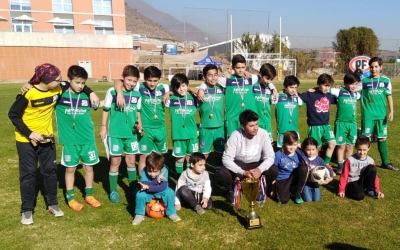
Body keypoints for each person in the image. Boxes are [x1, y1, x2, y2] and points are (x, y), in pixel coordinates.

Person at [8, 63, 97, 225]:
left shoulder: (57, 88)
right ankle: (27, 210)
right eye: (57, 79)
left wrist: (90, 92)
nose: (61, 81)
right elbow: (13, 114)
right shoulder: (28, 93)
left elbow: (77, 83)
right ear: (46, 79)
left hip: (47, 139)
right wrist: (30, 134)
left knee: (50, 171)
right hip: (26, 140)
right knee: (28, 174)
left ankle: (53, 204)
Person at [56, 65, 102, 211]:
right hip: (69, 141)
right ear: (69, 80)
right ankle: (70, 198)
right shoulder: (59, 95)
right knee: (71, 169)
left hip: (88, 139)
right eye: (77, 82)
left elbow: (99, 105)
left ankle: (89, 195)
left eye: (83, 83)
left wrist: (92, 93)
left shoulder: (86, 95)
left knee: (89, 167)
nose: (81, 86)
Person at [198, 54, 276, 137]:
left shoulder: (251, 78)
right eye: (238, 68)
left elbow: (265, 78)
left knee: (247, 144)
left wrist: (273, 88)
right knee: (233, 146)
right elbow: (211, 80)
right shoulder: (226, 80)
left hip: (247, 119)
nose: (241, 70)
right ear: (233, 68)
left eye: (243, 67)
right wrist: (201, 89)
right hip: (232, 119)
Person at [114, 66, 170, 179]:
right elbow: (117, 81)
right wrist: (119, 92)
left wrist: (170, 92)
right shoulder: (139, 87)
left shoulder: (164, 87)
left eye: (155, 81)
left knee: (159, 156)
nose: (152, 84)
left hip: (160, 128)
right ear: (145, 79)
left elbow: (183, 86)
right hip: (146, 129)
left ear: (159, 79)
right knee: (144, 156)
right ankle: (143, 180)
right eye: (149, 80)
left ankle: (158, 180)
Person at [99, 65, 141, 203]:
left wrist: (139, 123)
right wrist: (104, 126)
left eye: (134, 81)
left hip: (131, 134)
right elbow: (105, 110)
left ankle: (133, 188)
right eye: (129, 80)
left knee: (130, 161)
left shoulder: (137, 94)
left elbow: (138, 111)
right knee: (115, 161)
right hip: (115, 134)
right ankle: (113, 190)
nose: (131, 84)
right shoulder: (112, 92)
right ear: (123, 78)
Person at [218, 109, 278, 203]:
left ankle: (258, 188)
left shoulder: (263, 134)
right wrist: (243, 172)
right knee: (222, 172)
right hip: (240, 165)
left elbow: (270, 156)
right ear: (243, 126)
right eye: (251, 126)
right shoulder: (235, 135)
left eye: (256, 124)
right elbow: (226, 159)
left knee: (274, 170)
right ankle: (232, 189)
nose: (255, 128)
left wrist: (260, 169)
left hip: (255, 164)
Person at [358, 57, 397, 171]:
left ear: (381, 67)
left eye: (376, 67)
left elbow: (389, 96)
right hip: (368, 115)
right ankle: (362, 163)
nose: (373, 69)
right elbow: (352, 88)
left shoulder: (386, 81)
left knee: (382, 138)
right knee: (365, 140)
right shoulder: (364, 81)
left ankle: (385, 162)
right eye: (371, 67)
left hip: (381, 115)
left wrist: (391, 111)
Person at [132, 153, 181, 225]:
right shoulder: (144, 171)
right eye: (149, 171)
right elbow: (145, 185)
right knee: (140, 195)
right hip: (147, 192)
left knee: (170, 192)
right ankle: (139, 214)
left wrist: (149, 187)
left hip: (161, 190)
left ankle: (171, 213)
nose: (152, 174)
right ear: (146, 166)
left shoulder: (164, 171)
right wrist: (156, 181)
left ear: (161, 168)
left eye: (155, 172)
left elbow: (162, 187)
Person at [298, 73, 337, 166]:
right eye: (325, 85)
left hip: (326, 126)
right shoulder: (310, 95)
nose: (327, 88)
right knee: (316, 148)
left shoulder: (329, 95)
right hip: (314, 126)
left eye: (329, 86)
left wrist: (339, 88)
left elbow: (339, 97)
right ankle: (316, 165)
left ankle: (326, 164)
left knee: (332, 144)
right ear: (319, 84)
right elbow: (297, 95)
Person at [165, 73, 198, 174]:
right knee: (179, 160)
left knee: (190, 159)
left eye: (183, 86)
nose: (181, 89)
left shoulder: (194, 98)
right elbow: (164, 88)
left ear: (187, 85)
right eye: (178, 87)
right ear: (174, 88)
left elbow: (199, 90)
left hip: (192, 134)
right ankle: (180, 181)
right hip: (178, 135)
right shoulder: (171, 100)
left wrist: (190, 89)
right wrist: (168, 93)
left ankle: (188, 181)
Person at [330, 72, 361, 174]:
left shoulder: (356, 94)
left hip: (352, 124)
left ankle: (348, 164)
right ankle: (340, 165)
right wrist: (314, 89)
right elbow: (325, 89)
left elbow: (363, 92)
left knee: (350, 146)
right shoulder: (339, 91)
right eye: (352, 84)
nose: (354, 86)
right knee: (341, 146)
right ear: (346, 83)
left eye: (356, 84)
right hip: (341, 123)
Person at [338, 136, 384, 200]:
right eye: (359, 150)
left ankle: (369, 189)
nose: (362, 152)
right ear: (356, 147)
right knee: (359, 196)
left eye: (364, 150)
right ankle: (351, 190)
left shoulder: (371, 160)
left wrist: (377, 190)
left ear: (369, 148)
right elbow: (344, 175)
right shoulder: (350, 160)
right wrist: (341, 190)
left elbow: (374, 176)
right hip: (352, 182)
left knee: (372, 168)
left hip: (362, 181)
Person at [198, 64, 225, 172]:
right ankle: (200, 173)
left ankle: (219, 171)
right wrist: (201, 88)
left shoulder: (222, 89)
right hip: (205, 128)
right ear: (204, 77)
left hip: (219, 127)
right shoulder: (199, 91)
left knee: (220, 153)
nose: (213, 78)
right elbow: (187, 88)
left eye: (215, 75)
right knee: (204, 155)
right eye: (210, 75)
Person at [274, 131, 309, 204]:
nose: (292, 147)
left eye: (295, 144)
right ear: (284, 143)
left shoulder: (299, 153)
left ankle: (298, 193)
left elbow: (310, 161)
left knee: (304, 167)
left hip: (294, 176)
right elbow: (273, 170)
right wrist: (273, 187)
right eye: (289, 145)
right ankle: (286, 190)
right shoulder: (278, 154)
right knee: (283, 200)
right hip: (282, 179)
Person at [300, 137, 334, 202]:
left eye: (313, 149)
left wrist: (331, 177)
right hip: (306, 183)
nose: (311, 152)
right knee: (308, 200)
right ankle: (302, 191)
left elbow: (327, 168)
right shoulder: (303, 158)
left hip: (316, 184)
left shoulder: (319, 160)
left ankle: (312, 190)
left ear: (316, 149)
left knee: (317, 199)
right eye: (308, 150)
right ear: (304, 149)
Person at [274, 75, 303, 148]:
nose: (294, 90)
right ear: (285, 86)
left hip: (294, 129)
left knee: (297, 147)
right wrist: (274, 89)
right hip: (283, 129)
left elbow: (301, 103)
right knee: (282, 149)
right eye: (291, 87)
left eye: (295, 87)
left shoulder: (296, 98)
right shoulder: (278, 97)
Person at [252, 63, 276, 141]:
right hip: (254, 122)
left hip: (266, 121)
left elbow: (273, 102)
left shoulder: (270, 89)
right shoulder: (252, 85)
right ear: (260, 74)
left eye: (271, 79)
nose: (269, 81)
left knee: (268, 146)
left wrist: (274, 89)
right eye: (267, 78)